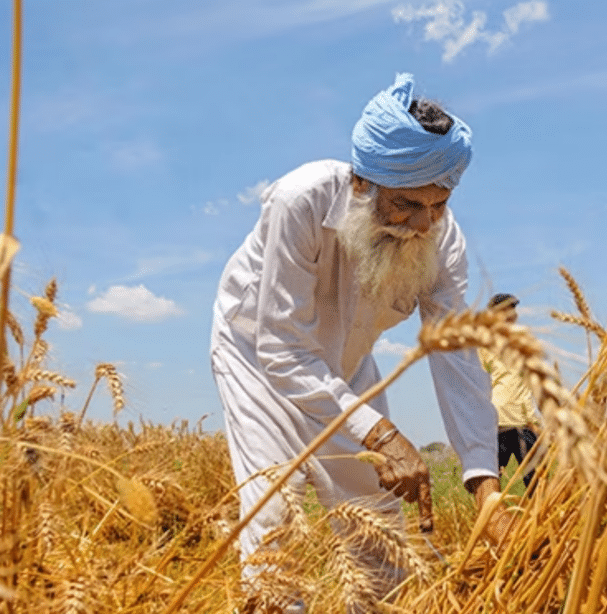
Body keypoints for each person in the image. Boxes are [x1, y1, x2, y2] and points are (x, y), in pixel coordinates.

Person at [209, 72, 505, 612]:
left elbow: (456, 354)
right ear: (364, 183)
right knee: (275, 526)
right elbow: (281, 346)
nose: (423, 223)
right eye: (407, 204)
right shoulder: (300, 201)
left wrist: (484, 482)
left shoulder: (443, 239)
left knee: (381, 535)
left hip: (347, 368)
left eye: (438, 205)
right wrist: (383, 434)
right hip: (258, 360)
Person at [478, 293, 542, 489]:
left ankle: (536, 518)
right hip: (500, 421)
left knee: (537, 482)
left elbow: (537, 380)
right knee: (491, 479)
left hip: (527, 421)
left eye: (512, 309)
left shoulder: (525, 340)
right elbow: (479, 381)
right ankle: (491, 517)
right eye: (505, 310)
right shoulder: (486, 344)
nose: (511, 314)